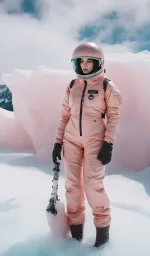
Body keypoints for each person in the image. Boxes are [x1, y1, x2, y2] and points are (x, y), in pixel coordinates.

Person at [52, 42, 122, 247]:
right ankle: (76, 235)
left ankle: (102, 234)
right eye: (80, 61)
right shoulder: (72, 86)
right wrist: (58, 142)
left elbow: (114, 117)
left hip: (95, 140)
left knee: (93, 184)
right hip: (71, 139)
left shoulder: (107, 86)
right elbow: (65, 115)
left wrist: (108, 143)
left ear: (97, 62)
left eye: (88, 61)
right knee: (72, 185)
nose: (84, 65)